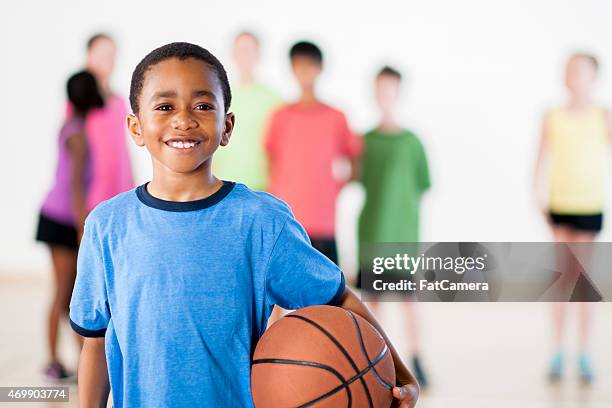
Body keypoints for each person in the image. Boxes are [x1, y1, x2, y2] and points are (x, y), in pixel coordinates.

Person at [69, 42, 419, 408]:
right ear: (136, 127)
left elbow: (338, 297)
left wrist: (402, 376)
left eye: (203, 105)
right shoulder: (107, 226)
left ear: (227, 125)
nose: (184, 119)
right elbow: (95, 344)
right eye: (165, 106)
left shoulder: (261, 223)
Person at [533, 52, 612, 384]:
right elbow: (540, 157)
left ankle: (583, 353)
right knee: (562, 279)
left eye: (581, 71)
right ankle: (557, 351)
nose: (574, 77)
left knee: (585, 282)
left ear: (593, 76)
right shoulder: (551, 115)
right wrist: (536, 197)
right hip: (560, 206)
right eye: (570, 71)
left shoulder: (603, 116)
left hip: (589, 206)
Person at [357, 66, 432, 387]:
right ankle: (374, 362)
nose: (385, 96)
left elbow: (423, 185)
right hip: (372, 233)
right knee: (372, 305)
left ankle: (417, 358)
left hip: (402, 238)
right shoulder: (364, 141)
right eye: (380, 90)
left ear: (399, 93)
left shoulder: (412, 142)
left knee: (408, 301)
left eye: (390, 90)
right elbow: (355, 178)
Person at [265, 41, 361, 265]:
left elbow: (355, 161)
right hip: (288, 222)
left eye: (310, 66)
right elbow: (271, 161)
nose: (305, 73)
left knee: (330, 295)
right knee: (286, 295)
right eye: (299, 67)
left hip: (324, 222)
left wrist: (333, 189)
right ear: (292, 70)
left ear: (320, 69)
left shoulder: (336, 117)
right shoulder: (280, 117)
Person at [36, 70, 104, 381]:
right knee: (63, 293)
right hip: (62, 220)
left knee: (67, 295)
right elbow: (76, 188)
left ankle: (78, 359)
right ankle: (53, 361)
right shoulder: (77, 134)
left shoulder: (71, 126)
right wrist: (83, 228)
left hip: (57, 216)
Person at [68, 33, 134, 209]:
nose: (108, 60)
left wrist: (132, 186)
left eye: (112, 54)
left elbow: (123, 150)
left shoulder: (119, 102)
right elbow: (72, 157)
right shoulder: (78, 102)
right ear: (89, 56)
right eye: (102, 53)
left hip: (120, 191)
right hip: (91, 196)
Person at [214, 31, 282, 191]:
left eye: (249, 50)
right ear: (233, 54)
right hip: (223, 185)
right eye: (240, 50)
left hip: (263, 187)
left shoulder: (275, 100)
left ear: (258, 54)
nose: (244, 55)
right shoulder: (218, 96)